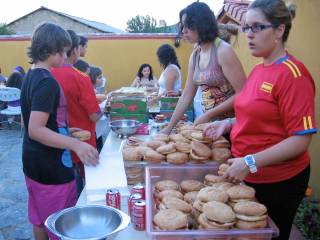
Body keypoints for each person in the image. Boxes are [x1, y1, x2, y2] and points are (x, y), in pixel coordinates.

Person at [204, 1, 317, 239]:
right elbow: (257, 116)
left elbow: (300, 140)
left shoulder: (293, 75)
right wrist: (228, 123)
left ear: (279, 30)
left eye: (257, 27)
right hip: (246, 172)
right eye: (246, 28)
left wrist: (250, 162)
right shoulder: (258, 70)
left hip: (278, 181)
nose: (249, 35)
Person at [20, 23, 99, 240]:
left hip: (33, 163)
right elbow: (36, 129)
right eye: (63, 51)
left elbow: (27, 122)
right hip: (52, 168)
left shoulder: (30, 75)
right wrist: (75, 143)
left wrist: (63, 130)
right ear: (50, 49)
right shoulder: (48, 82)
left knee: (38, 218)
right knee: (60, 224)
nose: (66, 56)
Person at [162, 2, 246, 134]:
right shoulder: (195, 55)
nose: (183, 31)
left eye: (188, 25)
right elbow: (187, 95)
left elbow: (244, 93)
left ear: (201, 24)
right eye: (182, 26)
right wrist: (168, 128)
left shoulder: (223, 51)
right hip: (210, 128)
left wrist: (209, 114)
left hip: (232, 127)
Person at [52, 30, 103, 195]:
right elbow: (94, 115)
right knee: (83, 190)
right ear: (74, 50)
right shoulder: (81, 78)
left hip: (55, 142)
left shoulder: (46, 73)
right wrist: (104, 108)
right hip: (82, 143)